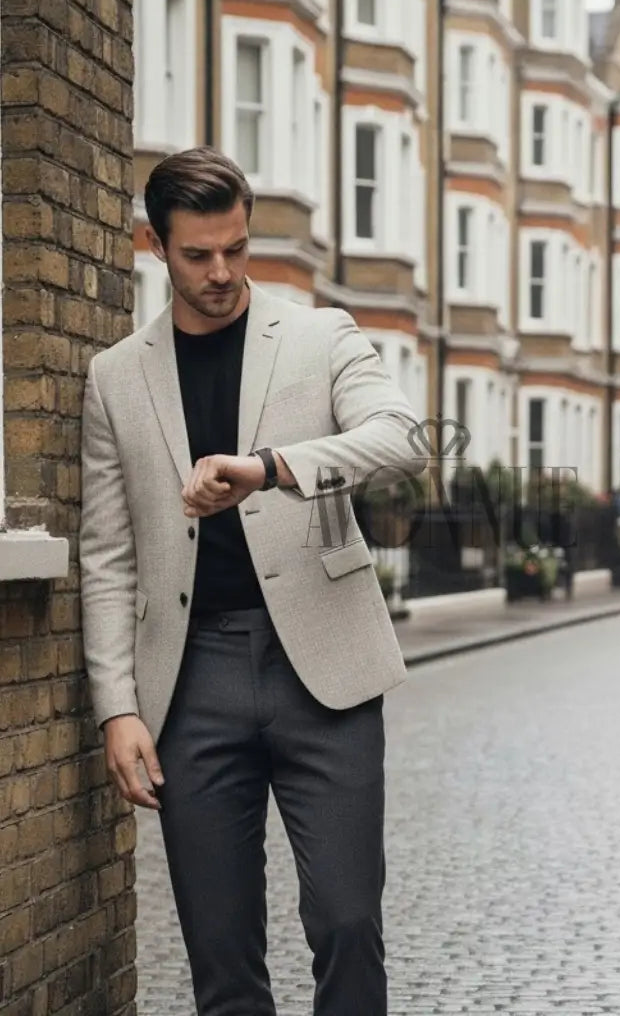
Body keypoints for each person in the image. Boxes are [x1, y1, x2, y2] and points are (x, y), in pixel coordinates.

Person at [79, 147, 426, 1016]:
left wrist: (269, 467)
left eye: (236, 247)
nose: (223, 271)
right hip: (191, 684)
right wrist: (118, 707)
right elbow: (107, 557)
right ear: (156, 244)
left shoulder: (322, 335)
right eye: (198, 255)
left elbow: (400, 436)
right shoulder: (116, 377)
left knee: (348, 923)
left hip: (326, 672)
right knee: (220, 952)